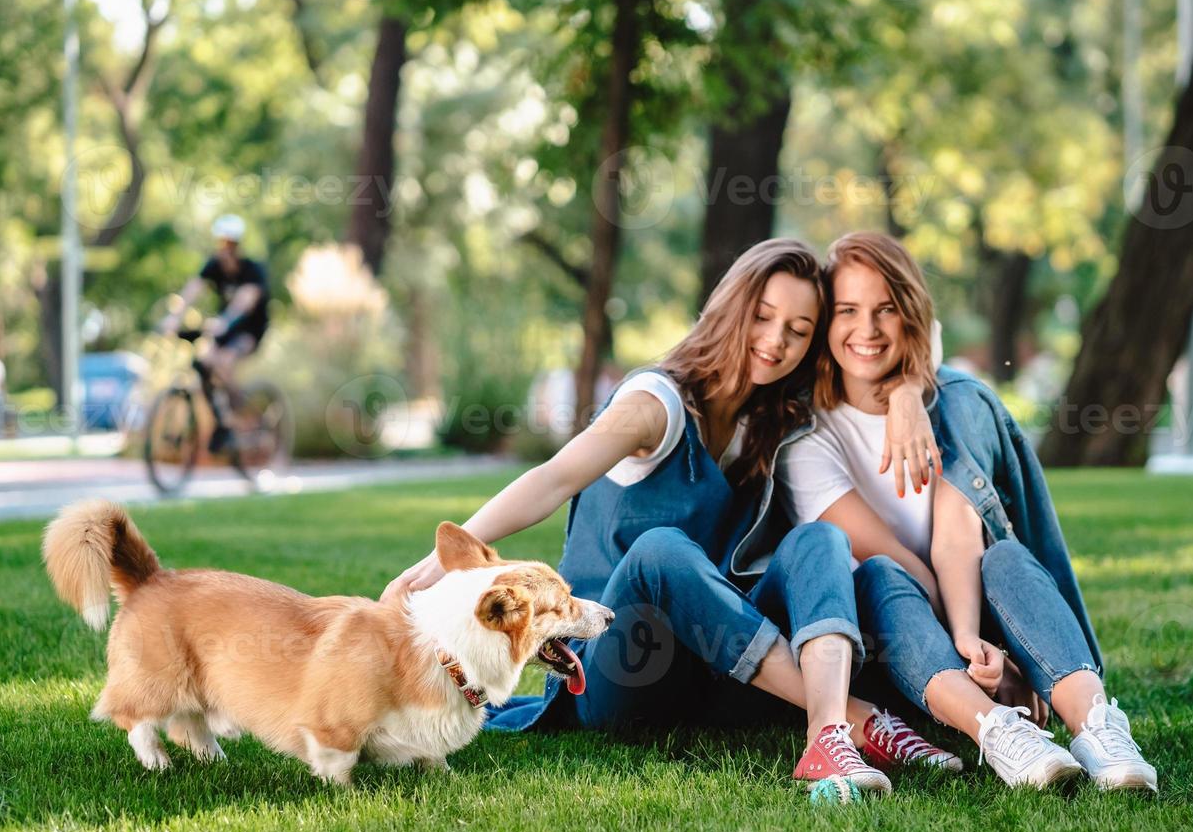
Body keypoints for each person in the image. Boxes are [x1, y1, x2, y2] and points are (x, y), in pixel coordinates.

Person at [383, 238, 959, 795]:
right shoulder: (656, 406)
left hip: (713, 672)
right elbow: (553, 478)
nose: (775, 340)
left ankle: (824, 735)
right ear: (732, 309)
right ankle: (855, 720)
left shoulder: (772, 420)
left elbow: (912, 339)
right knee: (663, 551)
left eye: (799, 330)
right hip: (616, 670)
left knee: (821, 540)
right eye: (762, 316)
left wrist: (907, 393)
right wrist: (442, 560)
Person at [779, 232, 1158, 792]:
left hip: (969, 608)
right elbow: (898, 563)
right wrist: (983, 656)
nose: (868, 329)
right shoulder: (806, 440)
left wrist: (975, 638)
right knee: (883, 575)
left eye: (886, 309)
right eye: (847, 311)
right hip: (897, 640)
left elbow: (959, 535)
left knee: (1004, 555)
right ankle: (997, 729)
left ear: (910, 313)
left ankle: (1100, 730)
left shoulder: (952, 402)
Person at [159, 215, 271, 452]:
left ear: (237, 245)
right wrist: (173, 317)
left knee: (225, 361)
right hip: (225, 329)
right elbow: (192, 290)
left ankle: (241, 412)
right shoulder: (213, 266)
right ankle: (223, 421)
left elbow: (246, 300)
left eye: (229, 243)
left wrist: (226, 320)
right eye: (222, 242)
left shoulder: (252, 269)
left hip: (249, 329)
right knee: (204, 362)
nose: (225, 248)